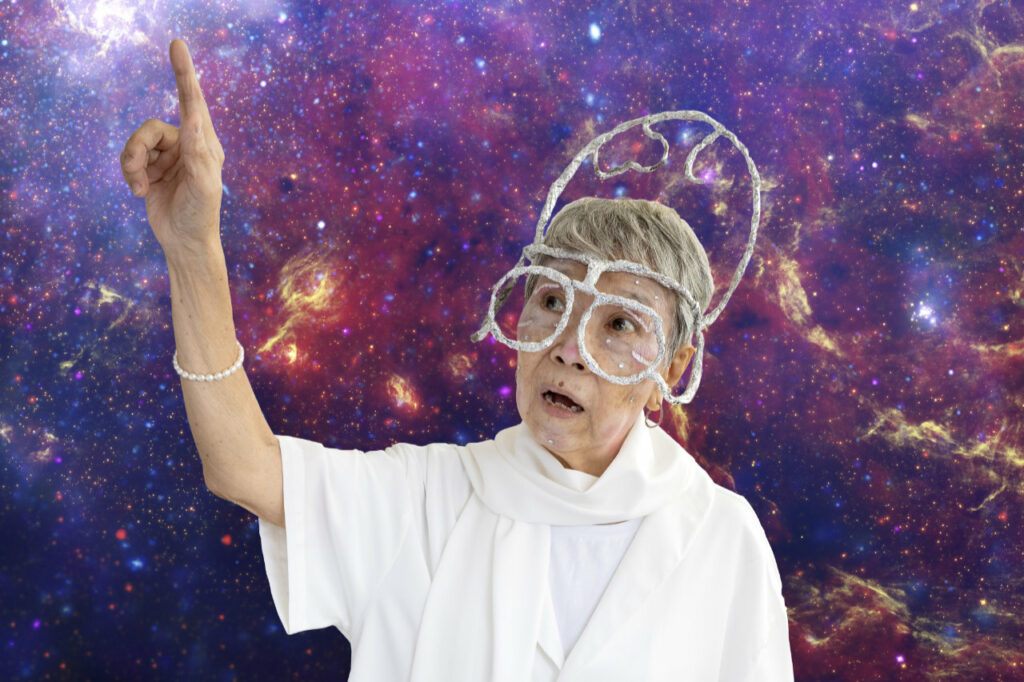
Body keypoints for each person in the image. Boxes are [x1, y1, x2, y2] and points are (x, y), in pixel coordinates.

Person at [121, 39, 794, 681]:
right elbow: (243, 467)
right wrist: (193, 251)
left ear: (670, 372)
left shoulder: (721, 540)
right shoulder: (429, 500)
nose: (568, 347)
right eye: (553, 300)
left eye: (619, 322)